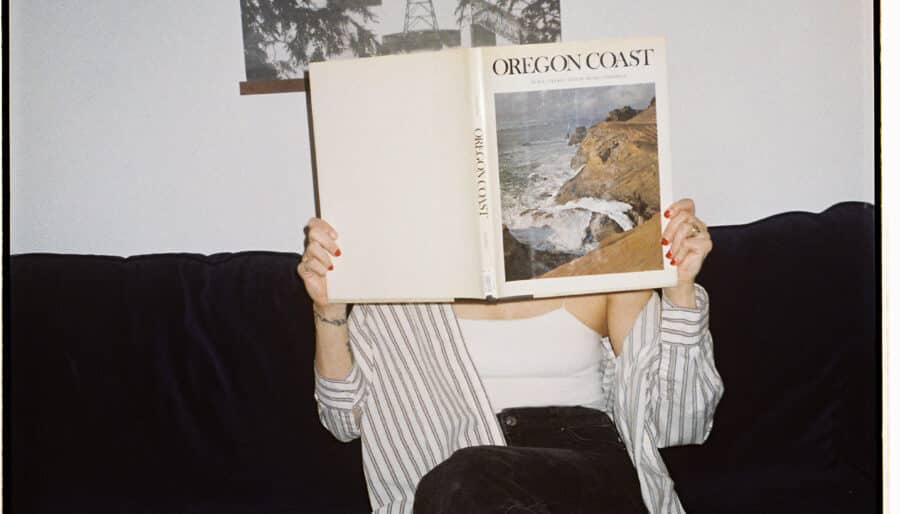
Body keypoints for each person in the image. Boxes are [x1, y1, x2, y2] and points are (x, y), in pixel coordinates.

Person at [297, 199, 723, 514]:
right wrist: (329, 311)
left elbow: (678, 423)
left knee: (467, 477)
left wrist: (680, 290)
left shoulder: (602, 271)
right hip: (462, 488)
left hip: (587, 473)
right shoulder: (398, 292)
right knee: (466, 481)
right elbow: (343, 422)